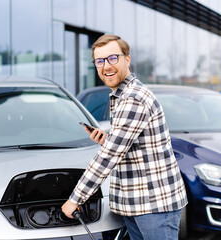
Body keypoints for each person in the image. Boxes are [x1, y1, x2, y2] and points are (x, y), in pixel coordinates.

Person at [62, 34, 188, 240]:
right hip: (137, 203)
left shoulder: (133, 98)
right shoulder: (122, 95)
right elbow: (129, 143)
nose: (106, 66)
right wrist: (108, 139)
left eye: (112, 58)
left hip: (153, 205)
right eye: (100, 61)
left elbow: (110, 155)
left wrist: (75, 199)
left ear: (126, 59)